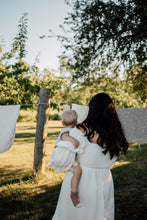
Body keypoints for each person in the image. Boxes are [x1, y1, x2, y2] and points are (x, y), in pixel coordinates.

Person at [52, 93, 128, 220]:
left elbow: (62, 145)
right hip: (104, 179)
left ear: (92, 109)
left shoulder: (83, 129)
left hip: (82, 180)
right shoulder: (116, 132)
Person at [49, 110, 87, 208]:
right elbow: (64, 136)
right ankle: (74, 194)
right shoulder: (66, 131)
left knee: (76, 171)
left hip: (67, 155)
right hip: (64, 155)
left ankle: (74, 194)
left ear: (62, 123)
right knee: (78, 171)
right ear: (76, 123)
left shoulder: (73, 131)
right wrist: (73, 140)